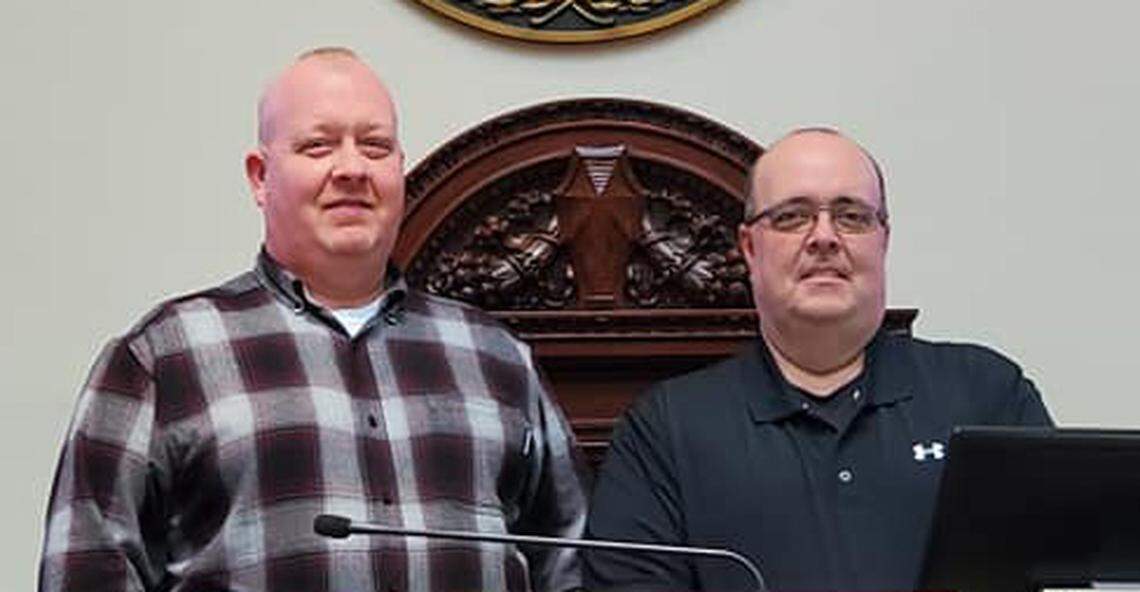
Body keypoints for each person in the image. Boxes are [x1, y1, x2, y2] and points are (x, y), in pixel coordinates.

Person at [39, 47, 586, 592]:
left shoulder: (496, 357)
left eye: (375, 147)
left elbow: (573, 564)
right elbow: (85, 571)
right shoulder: (163, 358)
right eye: (318, 146)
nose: (351, 169)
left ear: (398, 169)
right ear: (260, 177)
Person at [584, 128, 1052, 590]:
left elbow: (1059, 574)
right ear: (749, 248)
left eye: (851, 216)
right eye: (792, 217)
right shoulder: (665, 430)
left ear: (882, 240)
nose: (824, 237)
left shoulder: (986, 395)